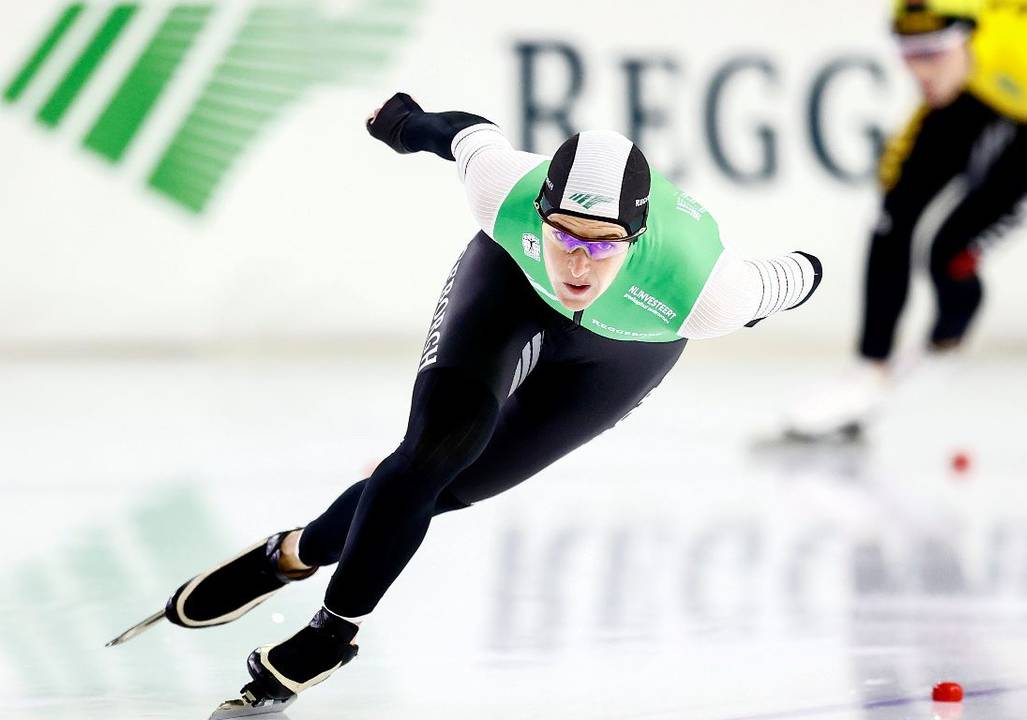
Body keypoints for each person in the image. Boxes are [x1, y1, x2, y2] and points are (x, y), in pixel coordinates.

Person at [109, 92, 823, 715]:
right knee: (435, 450)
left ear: (635, 242)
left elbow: (802, 274)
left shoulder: (709, 290)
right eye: (564, 233)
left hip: (626, 347)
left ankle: (293, 553)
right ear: (540, 210)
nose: (576, 261)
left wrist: (795, 281)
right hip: (507, 287)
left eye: (601, 245)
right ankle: (331, 636)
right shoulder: (503, 193)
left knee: (453, 487)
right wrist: (402, 122)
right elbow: (465, 134)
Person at [779, 0, 1027, 441]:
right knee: (893, 214)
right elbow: (896, 210)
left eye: (932, 53)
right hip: (982, 80)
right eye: (907, 51)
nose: (919, 72)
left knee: (950, 250)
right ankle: (868, 372)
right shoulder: (957, 56)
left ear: (967, 36)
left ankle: (942, 348)